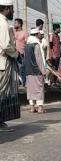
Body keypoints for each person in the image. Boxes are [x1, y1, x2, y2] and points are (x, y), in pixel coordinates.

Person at [0, 0, 20, 131]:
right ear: (7, 8)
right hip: (3, 62)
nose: (13, 12)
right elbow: (6, 45)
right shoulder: (2, 23)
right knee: (1, 92)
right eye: (12, 9)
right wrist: (17, 54)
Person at [24, 28, 47, 113]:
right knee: (39, 89)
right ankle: (40, 107)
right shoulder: (36, 45)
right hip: (36, 71)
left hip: (28, 71)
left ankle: (32, 107)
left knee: (30, 90)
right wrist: (43, 71)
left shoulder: (26, 45)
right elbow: (39, 60)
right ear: (37, 34)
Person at [13, 18, 28, 86]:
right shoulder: (13, 33)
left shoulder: (25, 33)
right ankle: (16, 84)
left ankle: (24, 84)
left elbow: (27, 44)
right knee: (14, 70)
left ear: (19, 24)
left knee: (22, 70)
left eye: (15, 23)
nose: (14, 24)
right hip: (13, 54)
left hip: (21, 55)